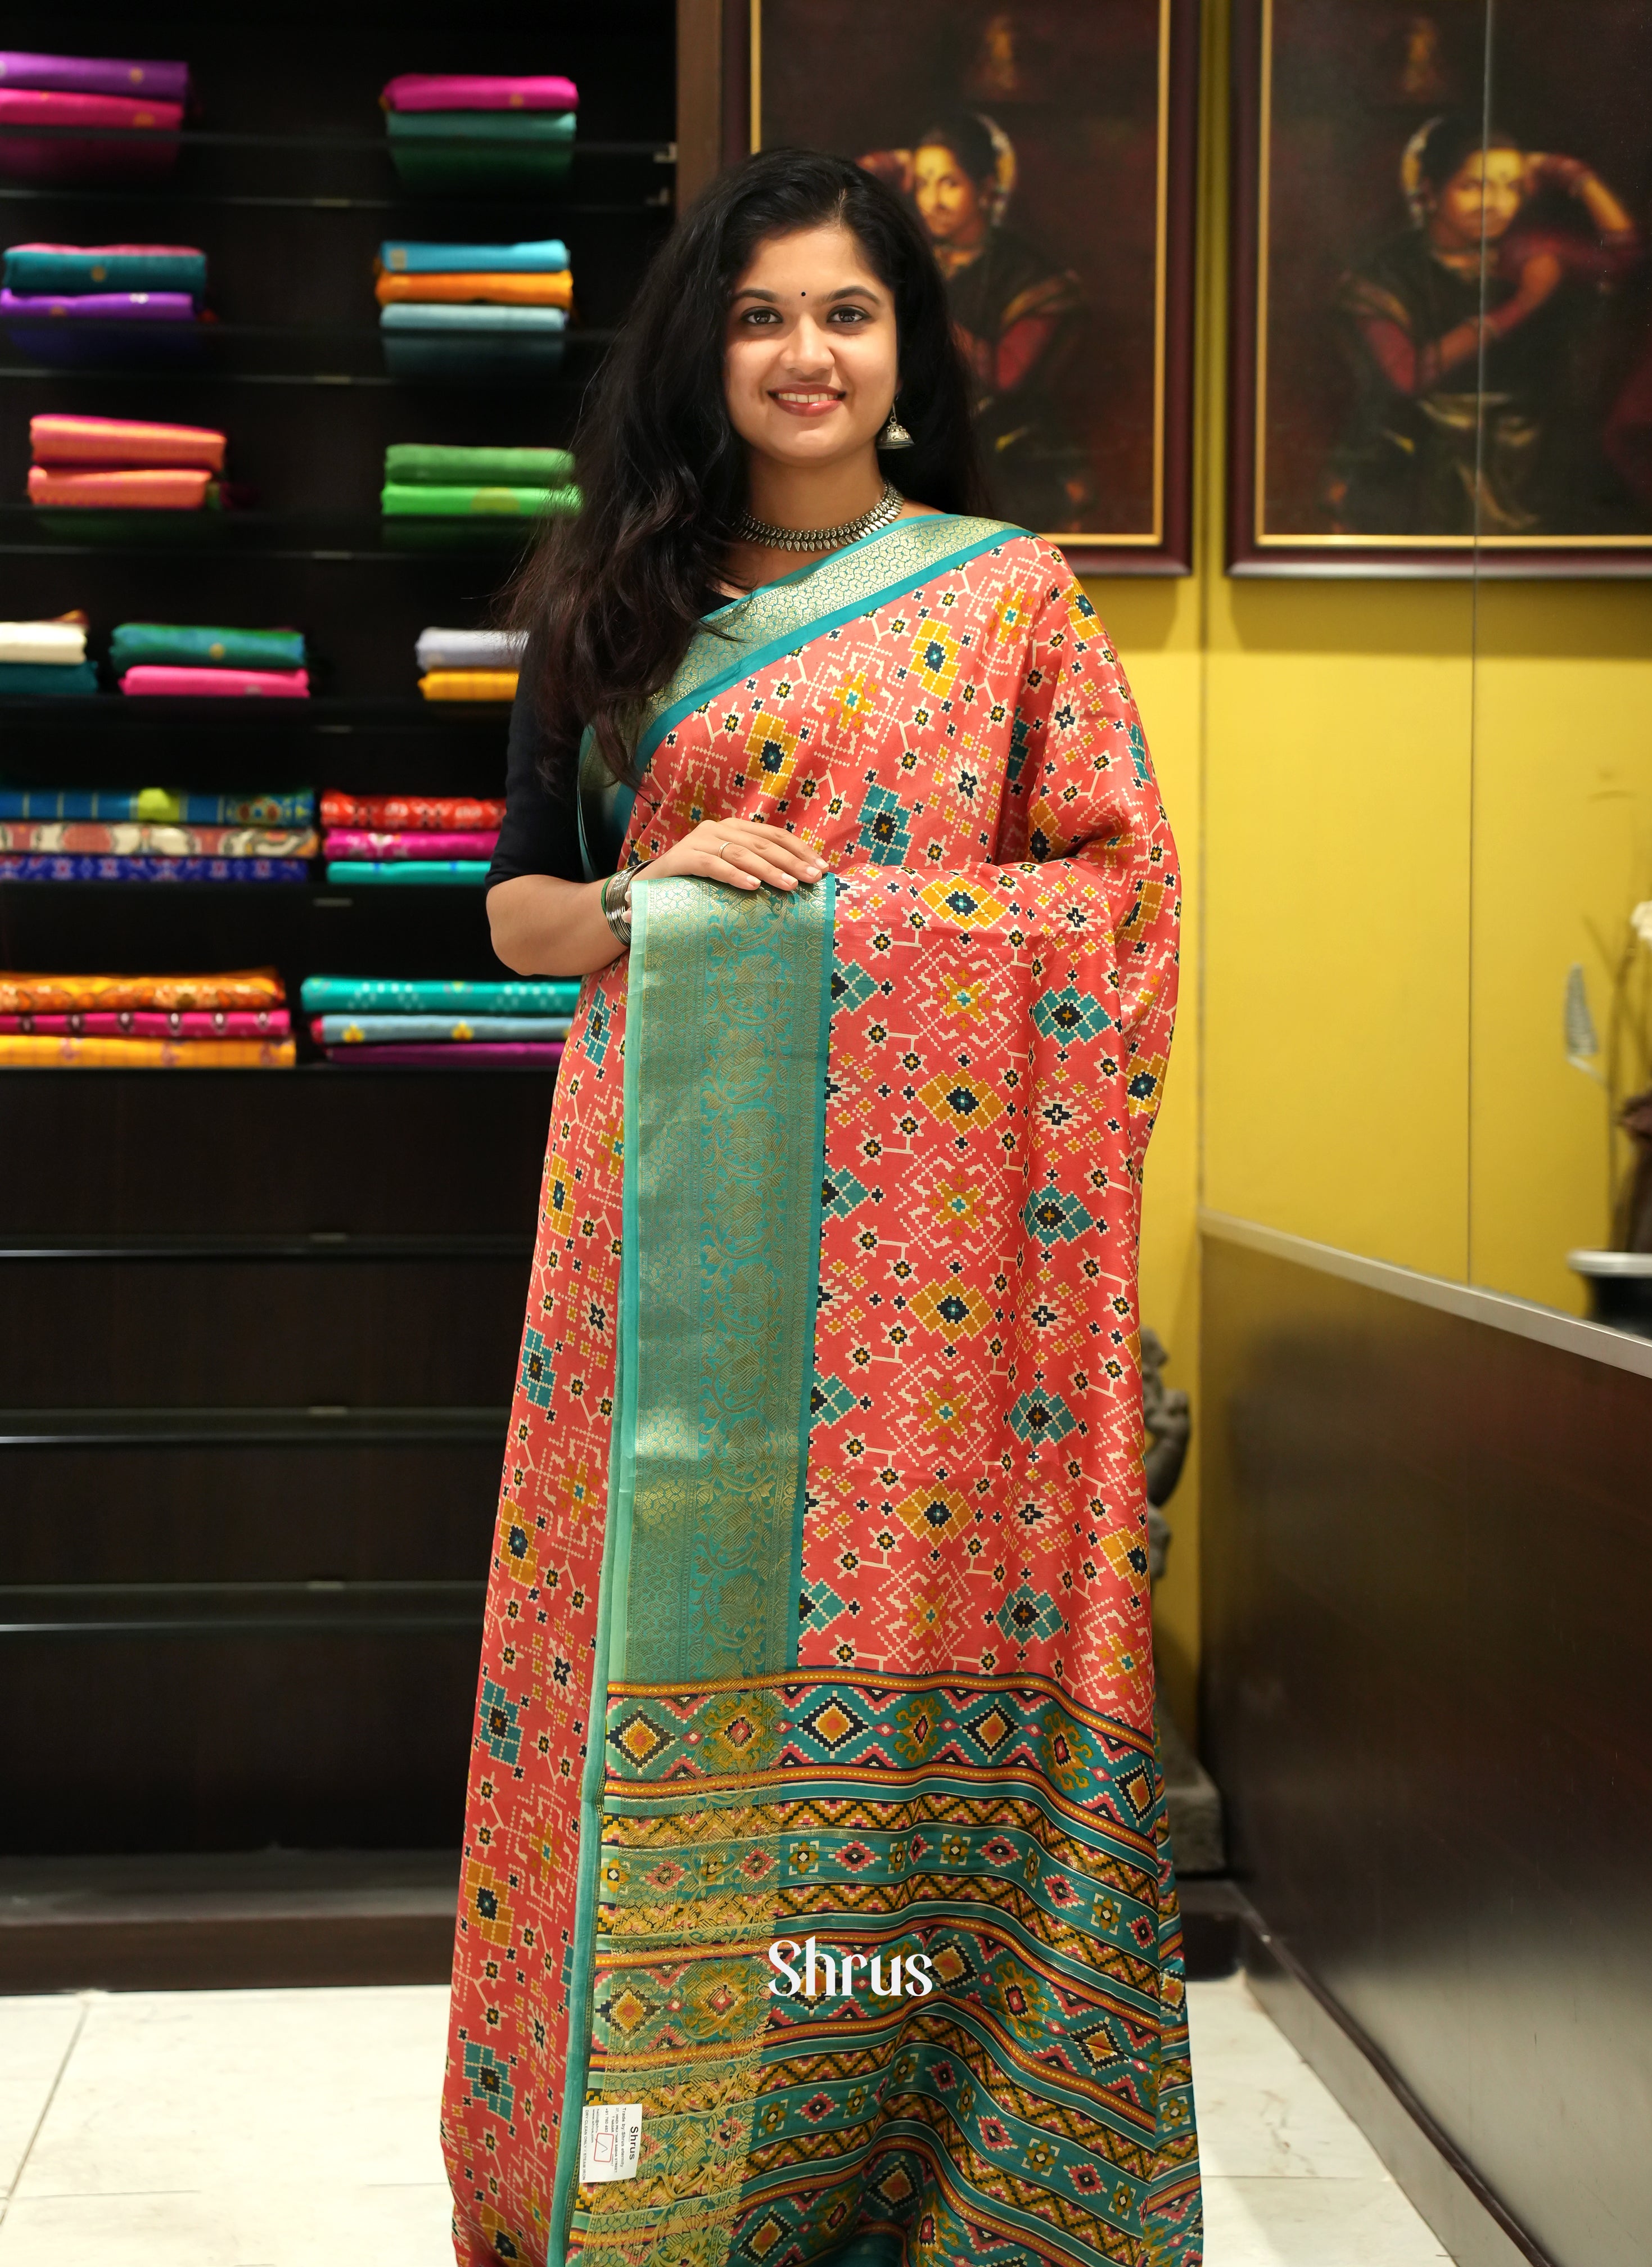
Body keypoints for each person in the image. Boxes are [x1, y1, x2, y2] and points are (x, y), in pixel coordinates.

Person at [442, 147, 1197, 2267]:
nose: (804, 354)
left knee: (912, 1643)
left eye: (844, 314)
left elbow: (1119, 908)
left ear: (903, 351)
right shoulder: (613, 599)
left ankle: (930, 2157)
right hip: (660, 1244)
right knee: (635, 1643)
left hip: (936, 1300)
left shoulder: (1008, 599)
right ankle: (652, 2185)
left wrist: (849, 926)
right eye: (761, 314)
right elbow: (516, 919)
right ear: (706, 348)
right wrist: (654, 893)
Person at [1328, 114, 1644, 536]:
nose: (1497, 204)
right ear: (1429, 192)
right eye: (1474, 186)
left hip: (1533, 458)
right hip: (1429, 458)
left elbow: (1624, 256)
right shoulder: (1384, 274)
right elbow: (1409, 375)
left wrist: (1572, 174)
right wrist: (1522, 305)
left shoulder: (1525, 251)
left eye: (1511, 187)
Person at [866, 114, 1088, 530]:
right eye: (923, 183)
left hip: (1007, 449)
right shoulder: (919, 261)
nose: (932, 201)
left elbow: (1005, 376)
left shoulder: (1031, 277)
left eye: (949, 184)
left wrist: (922, 312)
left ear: (985, 189)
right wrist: (895, 162)